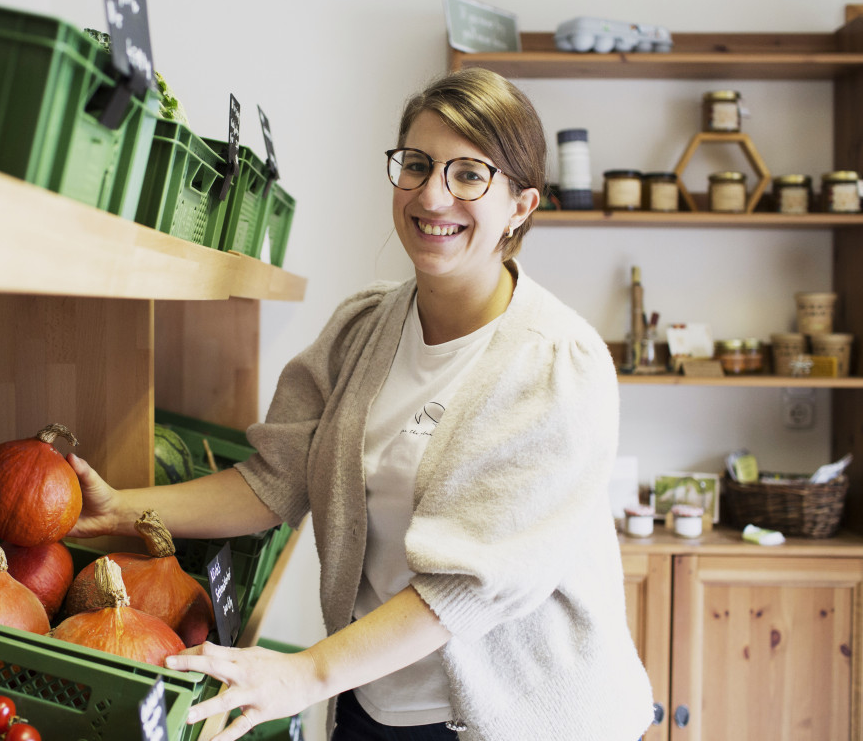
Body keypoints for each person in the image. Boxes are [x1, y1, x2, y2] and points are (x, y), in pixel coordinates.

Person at [66, 68, 655, 741]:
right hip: (371, 699)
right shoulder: (363, 327)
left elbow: (467, 585)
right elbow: (276, 479)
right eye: (417, 165)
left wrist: (305, 673)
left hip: (513, 719)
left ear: (521, 205)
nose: (433, 194)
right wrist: (123, 506)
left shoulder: (556, 364)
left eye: (469, 175)